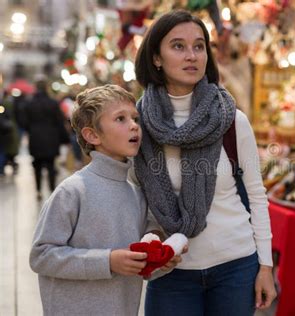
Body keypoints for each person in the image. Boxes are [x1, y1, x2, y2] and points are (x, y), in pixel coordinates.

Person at [133, 10, 277, 315]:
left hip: (235, 267)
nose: (192, 56)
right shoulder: (138, 125)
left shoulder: (231, 120)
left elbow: (256, 195)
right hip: (170, 270)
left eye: (199, 46)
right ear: (156, 58)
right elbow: (132, 201)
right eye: (178, 46)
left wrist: (265, 265)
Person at [29, 85, 181, 315]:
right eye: (120, 118)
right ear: (92, 135)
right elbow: (41, 256)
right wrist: (107, 261)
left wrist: (158, 264)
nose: (133, 125)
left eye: (135, 118)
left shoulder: (137, 194)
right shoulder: (72, 191)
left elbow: (136, 264)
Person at [23, 79, 67, 199]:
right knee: (51, 165)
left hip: (35, 137)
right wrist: (64, 138)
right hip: (51, 138)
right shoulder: (53, 103)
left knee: (37, 165)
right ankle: (52, 189)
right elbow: (59, 121)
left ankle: (38, 190)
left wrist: (31, 130)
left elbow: (25, 122)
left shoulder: (29, 103)